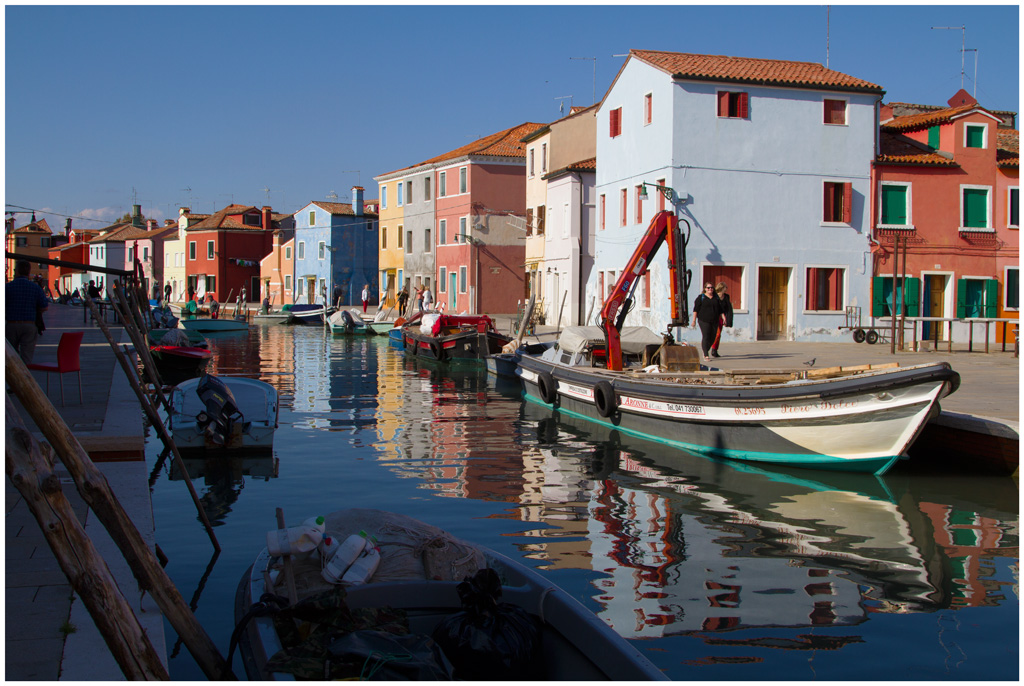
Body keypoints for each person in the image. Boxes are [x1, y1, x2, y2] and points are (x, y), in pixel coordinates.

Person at [6, 260, 49, 363]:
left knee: (10, 357)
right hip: (29, 324)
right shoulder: (36, 288)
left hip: (11, 325)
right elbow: (44, 306)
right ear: (29, 272)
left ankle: (14, 377)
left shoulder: (7, 287)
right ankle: (26, 376)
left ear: (17, 272)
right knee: (27, 356)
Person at [691, 282, 724, 363]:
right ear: (705, 289)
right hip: (703, 320)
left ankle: (705, 349)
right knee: (706, 336)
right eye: (708, 288)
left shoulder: (716, 298)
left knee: (713, 337)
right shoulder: (701, 298)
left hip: (714, 320)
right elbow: (696, 310)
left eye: (712, 288)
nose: (710, 289)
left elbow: (720, 310)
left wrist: (724, 318)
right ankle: (706, 354)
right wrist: (694, 320)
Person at [710, 282, 733, 358]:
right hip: (713, 317)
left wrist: (728, 319)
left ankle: (714, 350)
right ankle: (709, 348)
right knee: (712, 334)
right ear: (722, 288)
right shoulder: (714, 295)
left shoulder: (726, 297)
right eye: (725, 287)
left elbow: (729, 308)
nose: (726, 289)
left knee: (718, 334)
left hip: (721, 317)